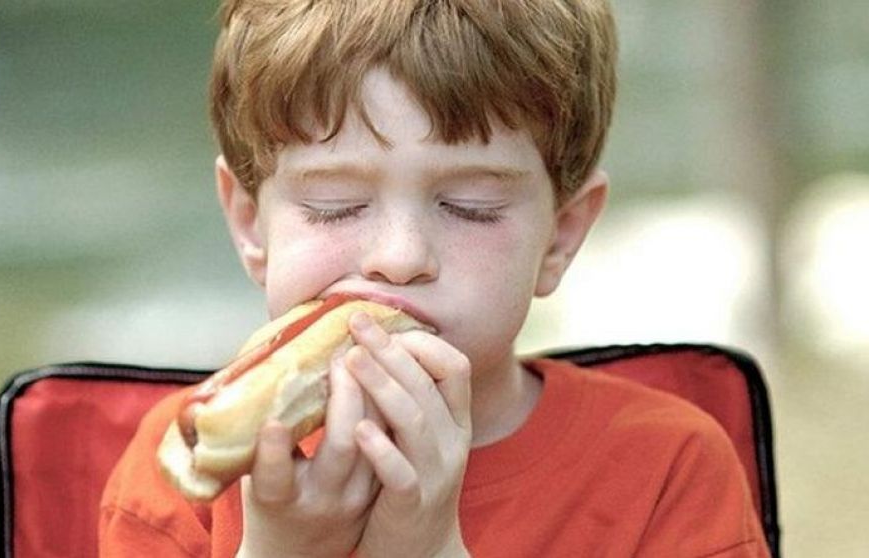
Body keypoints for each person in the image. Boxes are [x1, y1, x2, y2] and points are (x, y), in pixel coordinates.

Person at [99, 1, 770, 556]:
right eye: (337, 206)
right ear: (251, 225)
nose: (400, 255)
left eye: (468, 207)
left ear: (560, 237)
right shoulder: (182, 475)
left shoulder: (665, 468)